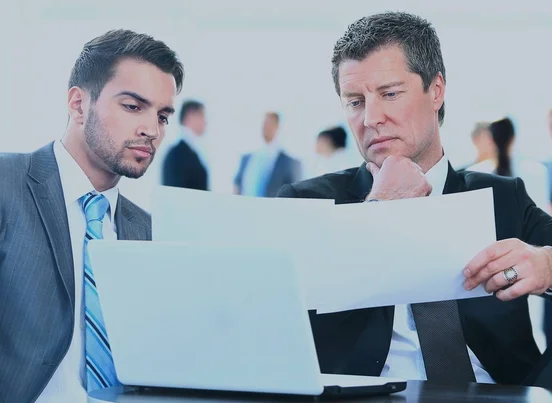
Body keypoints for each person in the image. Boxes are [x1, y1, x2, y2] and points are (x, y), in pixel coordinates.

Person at [278, 12, 552, 385]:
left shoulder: (502, 197)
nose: (372, 118)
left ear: (436, 90)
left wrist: (548, 264)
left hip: (498, 392)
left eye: (390, 94)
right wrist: (379, 211)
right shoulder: (306, 204)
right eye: (355, 102)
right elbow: (281, 322)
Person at [0, 29, 183, 402]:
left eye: (163, 116)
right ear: (78, 105)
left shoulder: (150, 232)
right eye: (133, 107)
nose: (151, 130)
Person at [234, 112, 301, 197]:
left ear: (277, 127)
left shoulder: (289, 163)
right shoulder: (247, 158)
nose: (265, 127)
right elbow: (237, 185)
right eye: (264, 123)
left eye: (269, 123)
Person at [162, 99, 209, 190]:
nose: (205, 122)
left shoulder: (193, 151)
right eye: (202, 115)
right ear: (190, 116)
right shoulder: (177, 154)